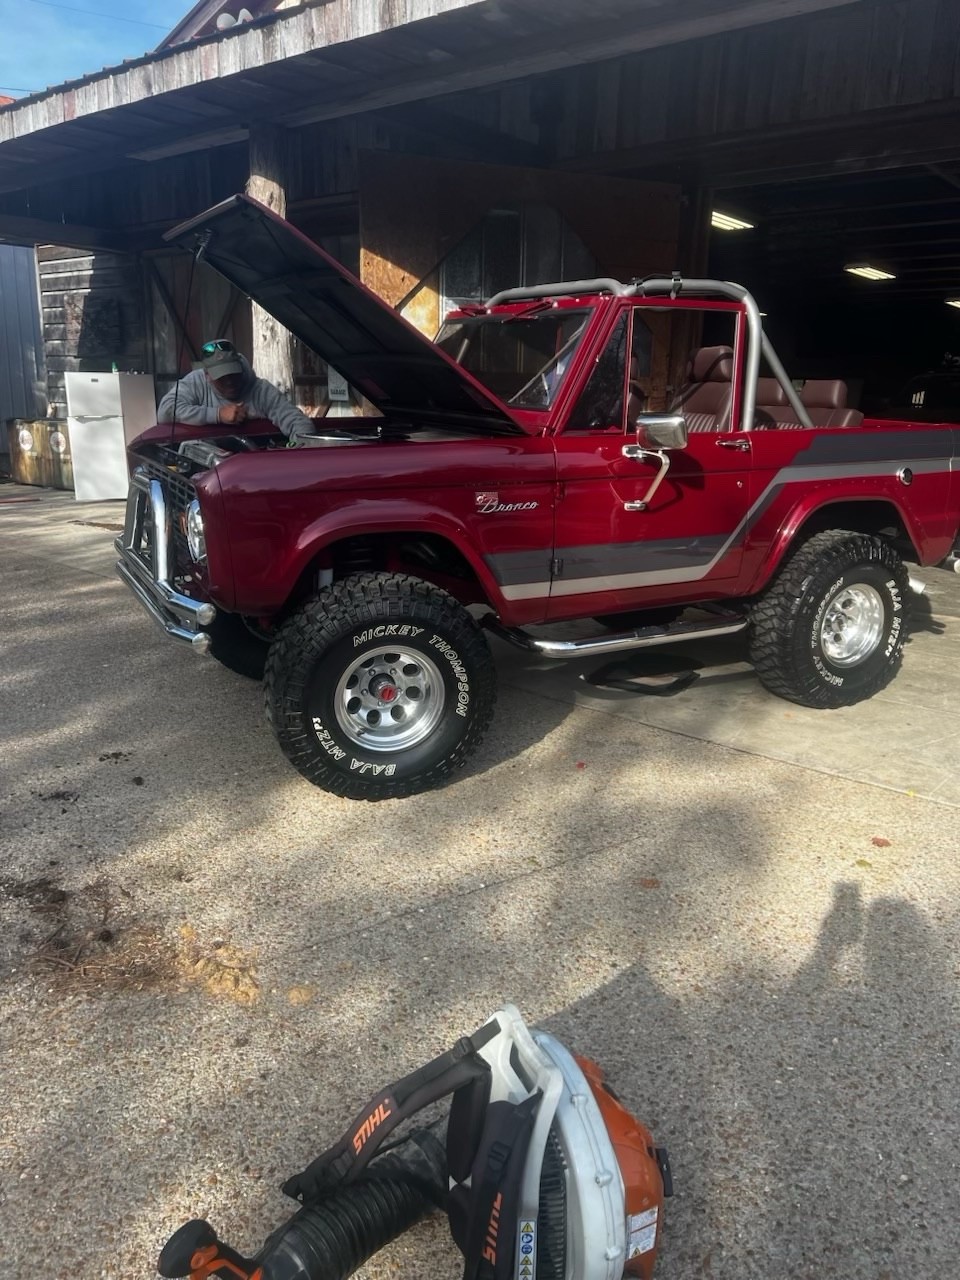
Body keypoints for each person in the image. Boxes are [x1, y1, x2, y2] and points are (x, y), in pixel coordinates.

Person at [156, 338, 316, 441]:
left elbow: (299, 422)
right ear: (207, 375)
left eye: (233, 374)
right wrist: (217, 415)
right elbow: (166, 411)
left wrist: (298, 449)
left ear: (240, 366)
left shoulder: (260, 390)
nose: (229, 382)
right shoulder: (195, 382)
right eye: (221, 377)